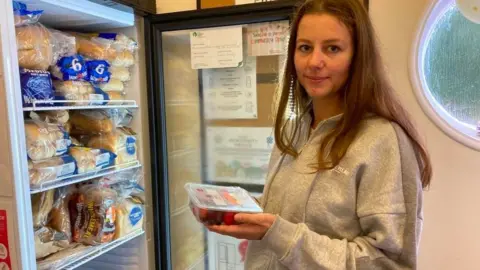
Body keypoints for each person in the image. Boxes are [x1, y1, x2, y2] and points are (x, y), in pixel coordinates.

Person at [204, 0, 432, 269]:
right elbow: (287, 216)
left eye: (332, 48)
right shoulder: (295, 128)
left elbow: (389, 263)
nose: (314, 62)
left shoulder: (382, 141)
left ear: (358, 57)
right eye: (305, 48)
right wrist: (245, 212)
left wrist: (277, 233)